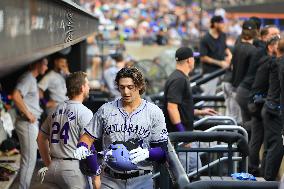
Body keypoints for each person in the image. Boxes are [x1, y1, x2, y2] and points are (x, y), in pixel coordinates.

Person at [74, 67, 168, 189]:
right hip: (110, 180)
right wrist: (82, 146)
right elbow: (87, 138)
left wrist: (147, 153)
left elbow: (163, 152)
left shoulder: (154, 112)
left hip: (141, 180)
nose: (126, 92)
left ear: (139, 86)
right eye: (122, 87)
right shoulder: (106, 110)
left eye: (130, 87)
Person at [37, 71, 100, 188]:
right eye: (87, 84)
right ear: (82, 88)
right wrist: (96, 175)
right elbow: (89, 147)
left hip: (53, 168)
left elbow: (41, 138)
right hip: (72, 170)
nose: (89, 87)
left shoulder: (56, 109)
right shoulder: (84, 112)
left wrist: (49, 164)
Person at [163, 47, 217, 171]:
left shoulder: (179, 77)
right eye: (193, 58)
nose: (194, 61)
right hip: (180, 138)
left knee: (193, 170)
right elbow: (172, 108)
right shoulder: (179, 79)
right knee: (190, 172)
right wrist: (182, 134)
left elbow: (179, 107)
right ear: (189, 60)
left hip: (182, 137)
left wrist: (199, 111)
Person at [12, 58, 48, 189]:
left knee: (28, 160)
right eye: (44, 64)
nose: (46, 67)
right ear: (37, 64)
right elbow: (16, 95)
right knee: (29, 160)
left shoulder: (32, 79)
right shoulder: (28, 77)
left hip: (29, 123)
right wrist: (28, 114)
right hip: (26, 122)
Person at [261, 39, 284, 181]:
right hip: (274, 109)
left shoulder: (276, 62)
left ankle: (267, 179)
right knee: (276, 147)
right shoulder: (279, 64)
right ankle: (268, 181)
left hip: (271, 107)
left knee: (271, 146)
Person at [200, 15, 232, 97]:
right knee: (209, 97)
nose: (223, 25)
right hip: (210, 72)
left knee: (228, 93)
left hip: (223, 70)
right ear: (215, 24)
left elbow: (225, 47)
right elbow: (203, 57)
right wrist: (220, 63)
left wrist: (230, 55)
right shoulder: (205, 38)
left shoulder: (223, 35)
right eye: (221, 23)